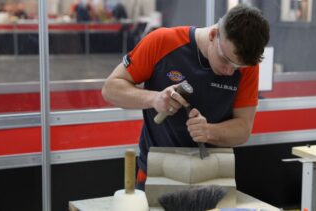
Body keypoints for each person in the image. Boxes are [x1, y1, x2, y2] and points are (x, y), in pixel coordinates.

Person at [102, 4, 269, 190]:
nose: (230, 71)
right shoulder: (162, 42)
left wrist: (209, 131)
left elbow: (243, 129)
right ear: (213, 35)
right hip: (157, 173)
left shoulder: (246, 65)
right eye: (225, 61)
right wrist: (154, 99)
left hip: (211, 177)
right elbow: (110, 89)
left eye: (238, 67)